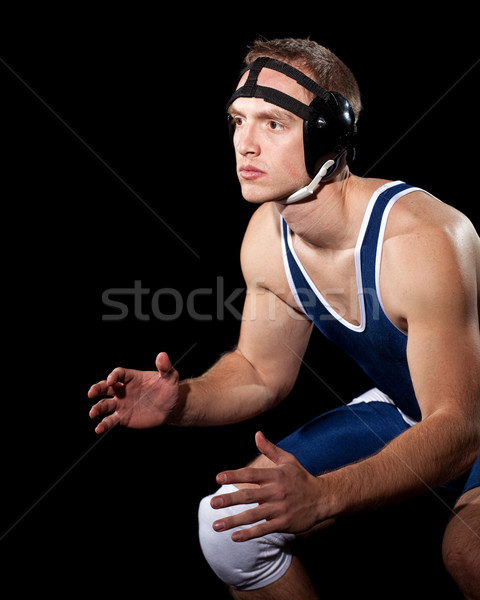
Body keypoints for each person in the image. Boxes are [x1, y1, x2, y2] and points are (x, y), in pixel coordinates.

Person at [88, 38, 480, 598]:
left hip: (465, 416)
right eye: (238, 121)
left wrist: (325, 496)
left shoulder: (421, 238)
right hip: (417, 406)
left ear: (332, 134)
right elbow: (259, 372)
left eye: (273, 123)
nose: (244, 144)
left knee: (469, 553)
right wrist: (182, 402)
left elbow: (462, 429)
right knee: (232, 530)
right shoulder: (269, 239)